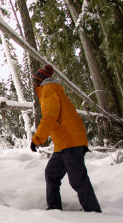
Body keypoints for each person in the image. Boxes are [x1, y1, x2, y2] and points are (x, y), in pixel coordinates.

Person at [30, 64, 101, 212]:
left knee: (78, 180)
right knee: (51, 173)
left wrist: (37, 139)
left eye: (34, 80)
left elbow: (49, 117)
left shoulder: (48, 90)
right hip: (63, 143)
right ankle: (54, 208)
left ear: (40, 80)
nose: (33, 83)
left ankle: (94, 212)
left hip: (70, 142)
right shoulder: (52, 90)